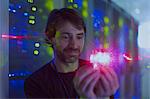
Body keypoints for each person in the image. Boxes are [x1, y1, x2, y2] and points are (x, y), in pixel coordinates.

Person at [24, 8, 119, 99]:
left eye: (79, 37)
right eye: (66, 37)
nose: (74, 45)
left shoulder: (96, 74)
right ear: (50, 38)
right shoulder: (36, 82)